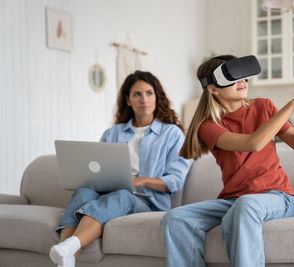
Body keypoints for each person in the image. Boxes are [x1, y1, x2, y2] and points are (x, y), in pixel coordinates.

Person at [162, 55, 294, 267]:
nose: (242, 81)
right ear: (213, 89)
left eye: (243, 76)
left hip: (277, 197)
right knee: (175, 218)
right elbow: (253, 143)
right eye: (232, 77)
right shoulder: (208, 126)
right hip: (234, 200)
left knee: (245, 206)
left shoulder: (264, 107)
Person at [50, 70, 190, 267]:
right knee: (83, 192)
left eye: (149, 93)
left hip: (147, 202)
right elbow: (96, 169)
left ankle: (68, 247)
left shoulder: (172, 134)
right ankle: (66, 257)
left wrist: (143, 180)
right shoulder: (113, 133)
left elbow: (175, 181)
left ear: (157, 97)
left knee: (122, 195)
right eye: (137, 94)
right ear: (127, 100)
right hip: (108, 193)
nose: (144, 99)